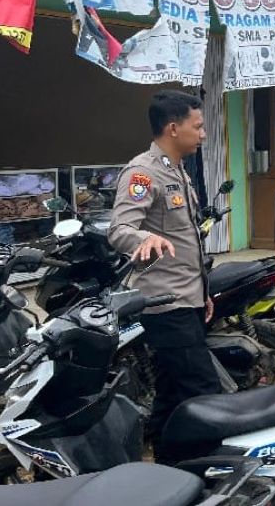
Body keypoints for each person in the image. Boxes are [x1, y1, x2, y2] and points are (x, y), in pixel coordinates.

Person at [109, 90, 220, 462]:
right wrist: (145, 236)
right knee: (203, 389)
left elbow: (186, 242)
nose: (203, 134)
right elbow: (121, 229)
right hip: (164, 305)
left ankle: (166, 465)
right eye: (198, 126)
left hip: (185, 298)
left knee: (173, 391)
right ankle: (204, 469)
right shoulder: (142, 172)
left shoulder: (178, 171)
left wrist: (202, 291)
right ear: (174, 128)